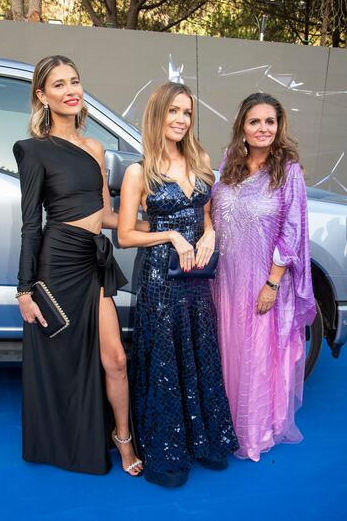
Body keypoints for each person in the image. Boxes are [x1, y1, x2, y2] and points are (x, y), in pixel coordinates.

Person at [13, 55, 144, 476]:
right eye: (59, 85)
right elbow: (31, 224)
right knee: (63, 357)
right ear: (42, 96)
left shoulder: (95, 147)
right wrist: (24, 290)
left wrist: (153, 223)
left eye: (75, 81)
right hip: (57, 263)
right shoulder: (32, 150)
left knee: (116, 359)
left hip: (94, 258)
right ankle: (66, 439)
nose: (71, 90)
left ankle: (121, 438)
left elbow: (105, 215)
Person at [118, 82, 238, 488]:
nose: (181, 120)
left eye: (186, 112)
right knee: (166, 359)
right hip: (160, 277)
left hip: (198, 275)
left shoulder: (200, 158)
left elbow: (206, 213)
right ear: (158, 115)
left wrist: (209, 233)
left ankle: (203, 440)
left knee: (199, 349)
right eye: (173, 111)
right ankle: (166, 450)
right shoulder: (140, 171)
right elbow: (125, 235)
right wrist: (168, 235)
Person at [211, 92, 316, 462]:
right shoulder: (229, 164)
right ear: (242, 125)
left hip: (262, 282)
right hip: (224, 280)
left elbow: (291, 231)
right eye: (255, 121)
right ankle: (222, 427)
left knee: (256, 355)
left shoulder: (288, 172)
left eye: (269, 121)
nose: (263, 128)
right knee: (228, 351)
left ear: (279, 126)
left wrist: (272, 283)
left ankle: (252, 433)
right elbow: (214, 212)